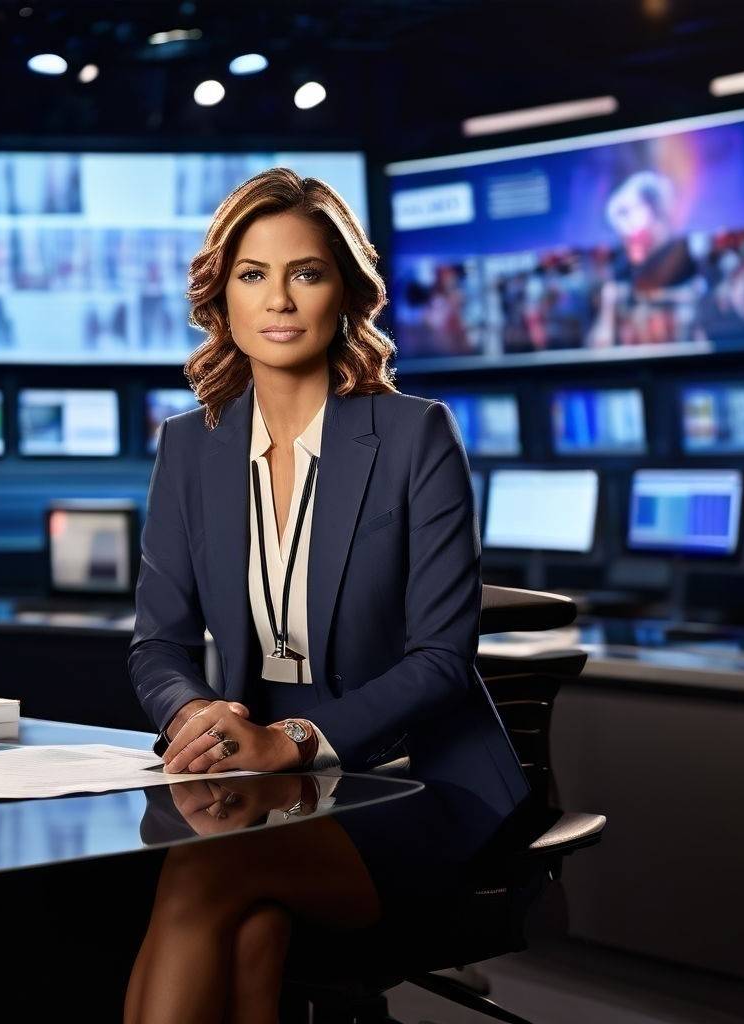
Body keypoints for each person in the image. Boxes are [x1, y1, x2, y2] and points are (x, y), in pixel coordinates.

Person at [124, 166, 530, 1024]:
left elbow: (441, 662)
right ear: (221, 300)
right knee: (254, 928)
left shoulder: (416, 434)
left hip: (411, 783)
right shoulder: (189, 450)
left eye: (304, 272)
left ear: (344, 292)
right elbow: (158, 645)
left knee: (208, 873)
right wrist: (196, 717)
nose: (279, 299)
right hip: (257, 788)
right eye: (252, 274)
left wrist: (297, 739)